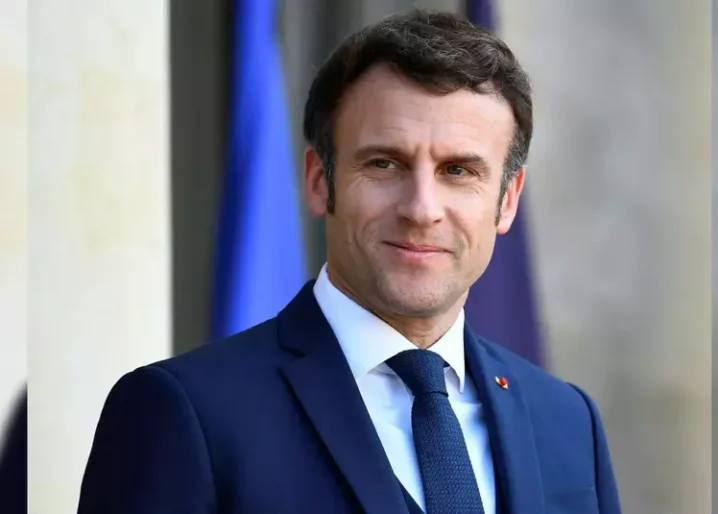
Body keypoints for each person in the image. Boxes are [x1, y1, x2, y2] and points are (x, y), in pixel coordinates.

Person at [77, 10, 621, 514]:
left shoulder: (568, 422)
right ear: (320, 181)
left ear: (507, 200)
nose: (422, 209)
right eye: (384, 164)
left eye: (458, 171)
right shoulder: (184, 412)